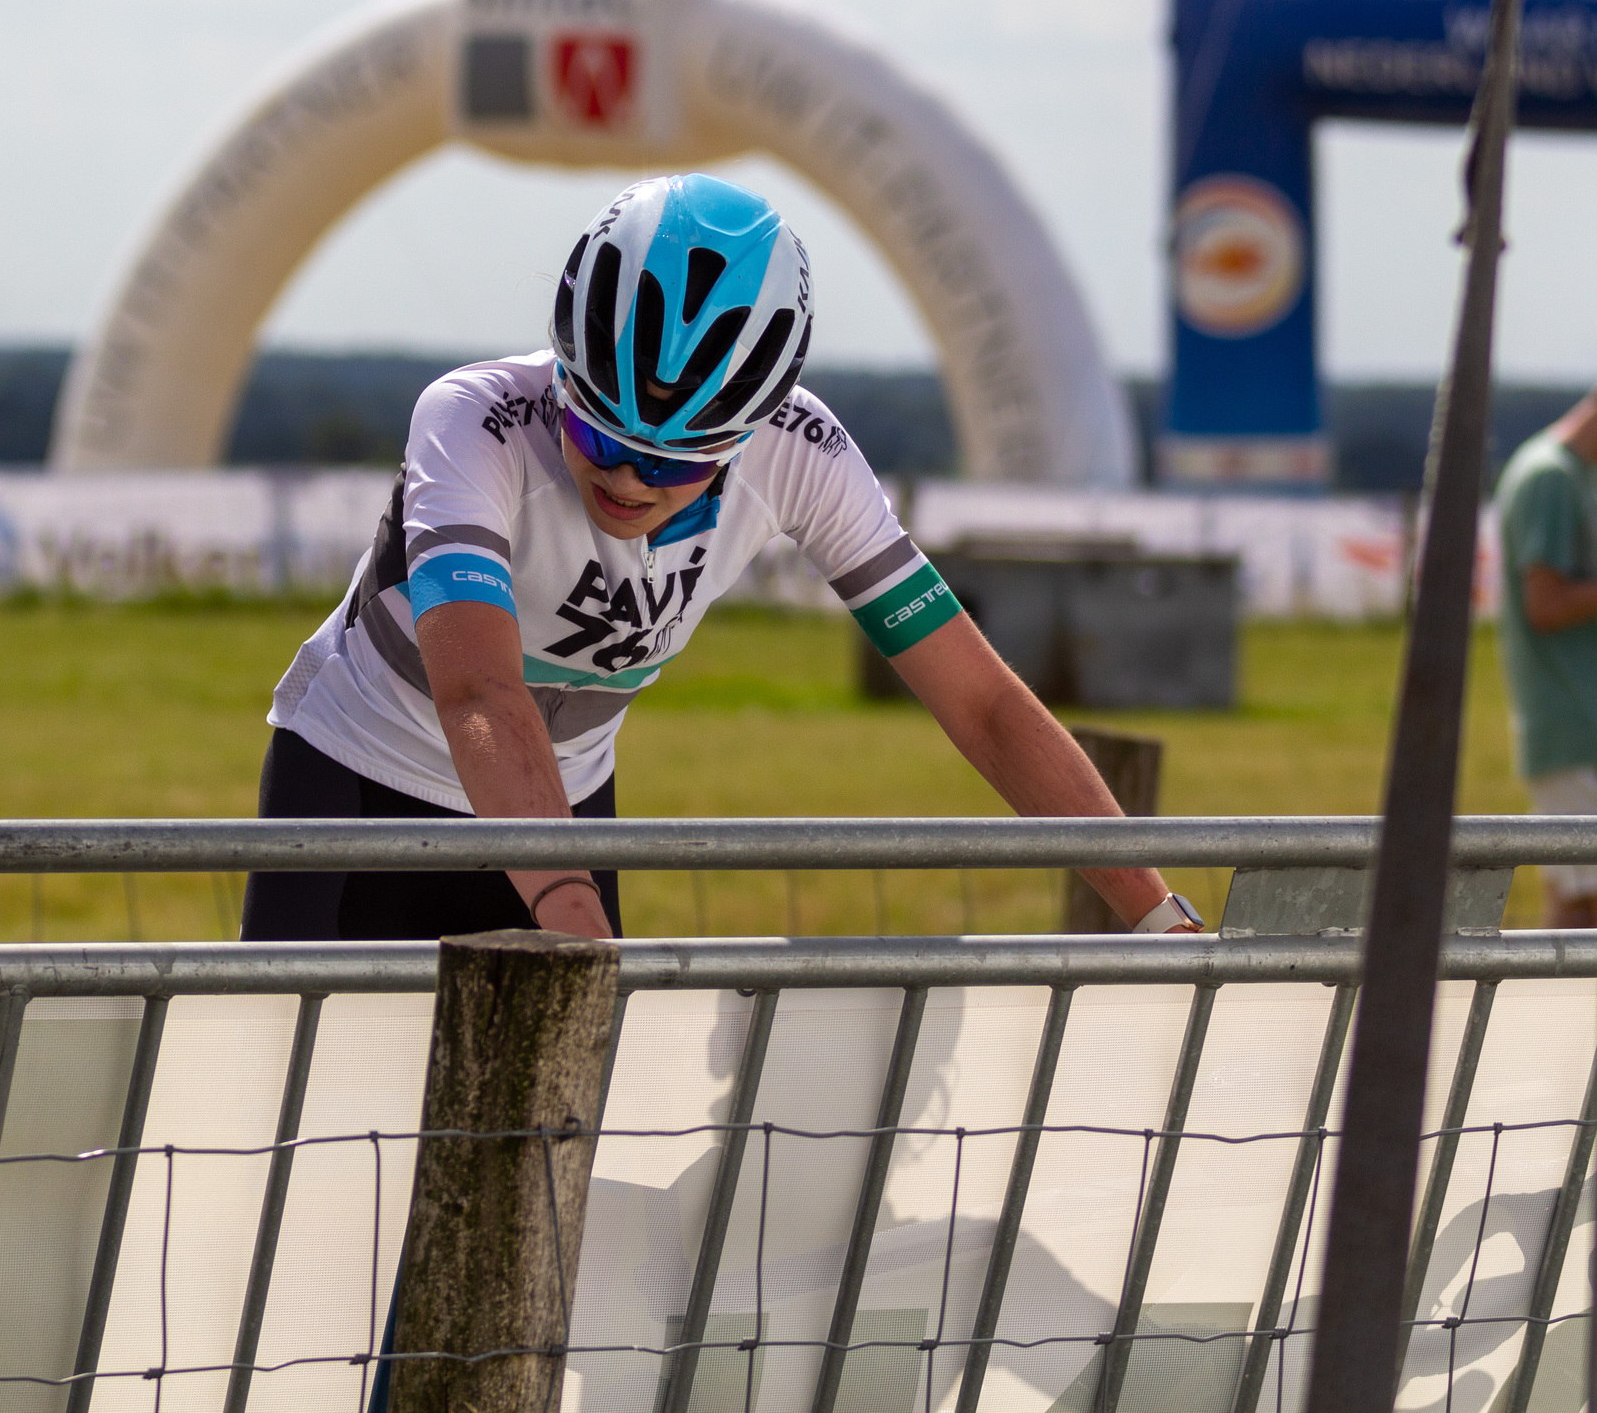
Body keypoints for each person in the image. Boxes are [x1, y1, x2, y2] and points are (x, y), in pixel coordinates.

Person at [242, 173, 1201, 942]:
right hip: (359, 768)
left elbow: (984, 704)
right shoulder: (474, 419)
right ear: (563, 373)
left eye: (673, 461)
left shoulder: (802, 450)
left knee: (544, 1157)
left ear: (747, 436)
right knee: (296, 1127)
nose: (628, 478)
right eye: (600, 435)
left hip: (560, 789)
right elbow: (481, 695)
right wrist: (575, 915)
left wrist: (1155, 910)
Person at [1494, 367, 1597, 928]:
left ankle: (1540, 1018)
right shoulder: (1550, 478)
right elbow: (1544, 605)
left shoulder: (1572, 476)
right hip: (1572, 717)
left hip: (1581, 721)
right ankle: (1596, 1020)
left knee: (1574, 902)